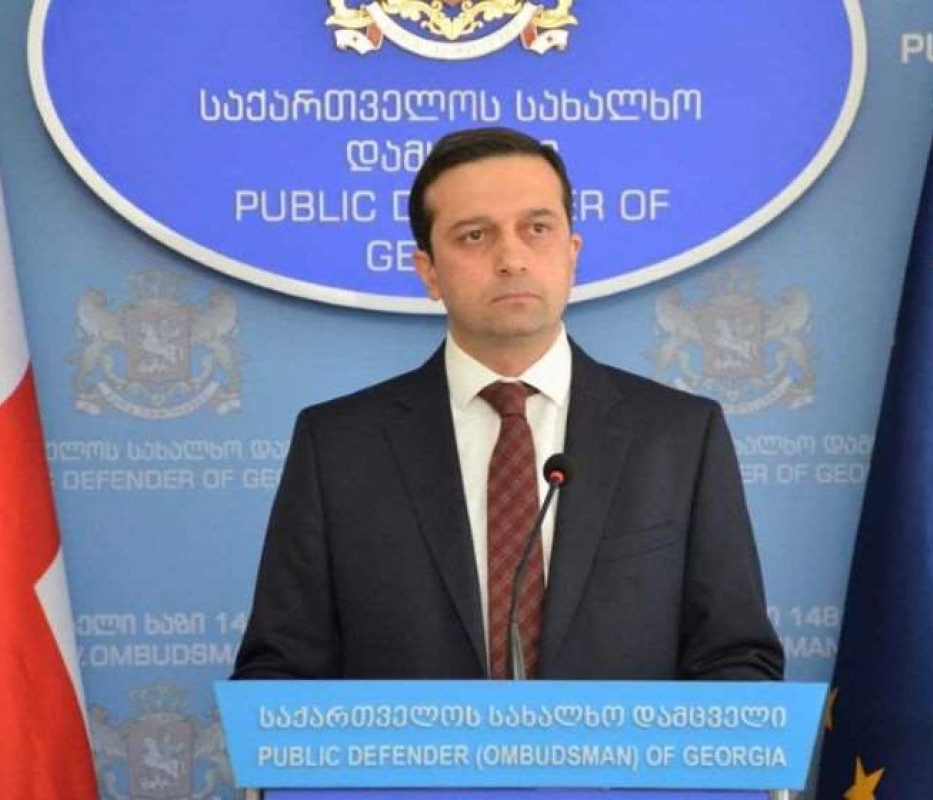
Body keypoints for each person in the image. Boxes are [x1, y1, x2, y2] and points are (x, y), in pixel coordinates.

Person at [232, 127, 783, 681]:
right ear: (428, 271)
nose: (512, 258)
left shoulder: (679, 437)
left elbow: (736, 660)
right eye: (474, 235)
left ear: (572, 254)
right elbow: (281, 672)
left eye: (537, 228)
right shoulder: (339, 447)